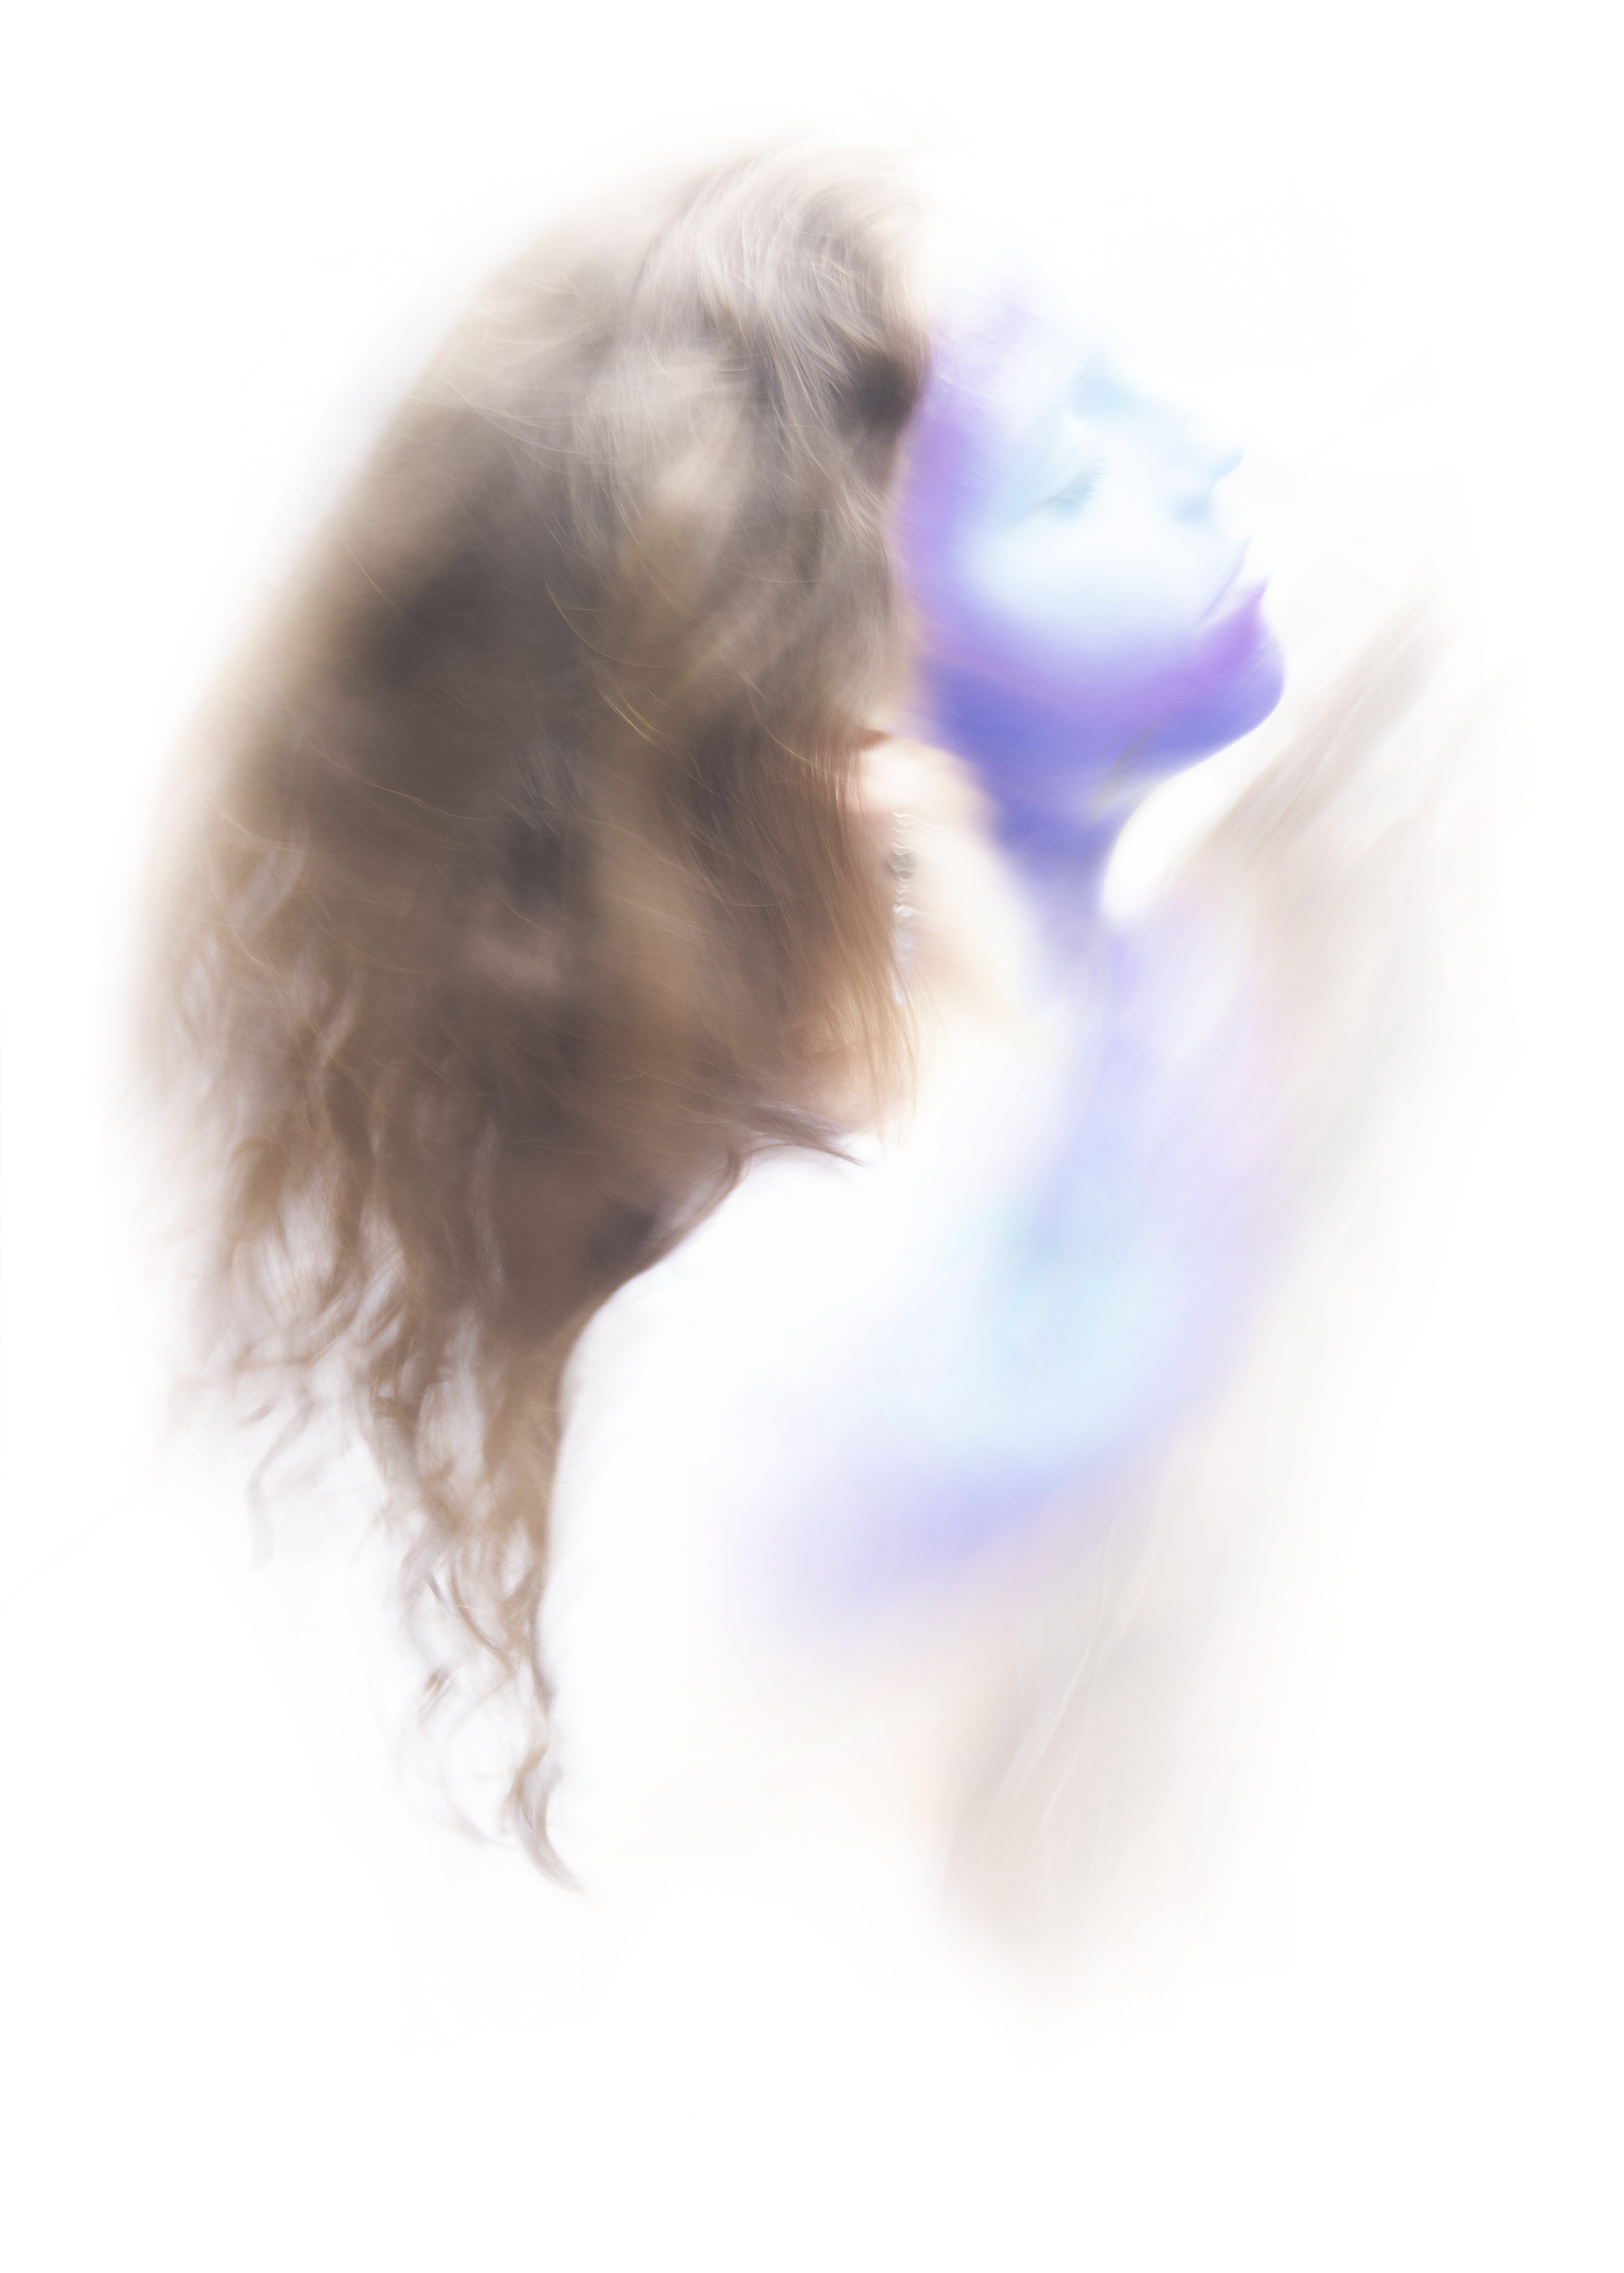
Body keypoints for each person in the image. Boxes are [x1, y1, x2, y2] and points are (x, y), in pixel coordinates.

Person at [151, 144, 1451, 1970]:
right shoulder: (770, 1364)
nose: (1203, 457)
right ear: (847, 750)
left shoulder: (1312, 882)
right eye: (1072, 469)